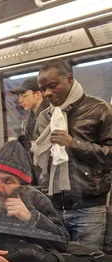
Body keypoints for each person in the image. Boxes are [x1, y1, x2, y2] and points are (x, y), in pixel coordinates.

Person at [34, 59, 112, 250]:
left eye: (52, 86)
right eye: (43, 89)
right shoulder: (45, 117)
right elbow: (37, 161)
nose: (47, 93)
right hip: (52, 206)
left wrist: (73, 144)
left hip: (88, 206)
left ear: (69, 79)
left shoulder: (99, 110)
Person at [11, 77, 49, 142]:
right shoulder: (31, 119)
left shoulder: (48, 116)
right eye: (19, 96)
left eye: (24, 95)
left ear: (38, 95)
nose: (20, 100)